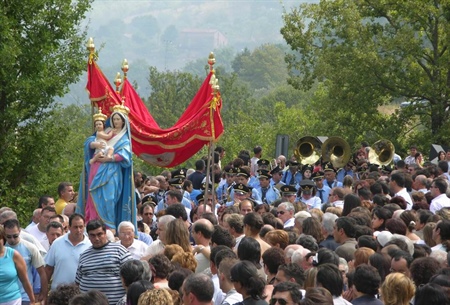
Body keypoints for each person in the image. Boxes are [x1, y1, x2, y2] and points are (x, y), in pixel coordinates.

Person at [77, 104, 136, 231]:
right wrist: (93, 143)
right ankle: (92, 223)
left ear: (123, 121)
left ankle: (109, 227)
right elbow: (91, 140)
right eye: (114, 119)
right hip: (97, 168)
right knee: (94, 194)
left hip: (112, 172)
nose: (115, 122)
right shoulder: (107, 131)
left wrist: (111, 158)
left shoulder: (124, 138)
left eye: (118, 119)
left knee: (109, 199)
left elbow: (126, 155)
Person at [75, 219, 132, 304]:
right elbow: (77, 282)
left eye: (99, 234)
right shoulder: (84, 256)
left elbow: (133, 277)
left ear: (105, 233)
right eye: (93, 235)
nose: (96, 238)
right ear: (88, 236)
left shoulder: (119, 250)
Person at [4, 218, 48, 304]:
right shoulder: (2, 247)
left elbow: (42, 272)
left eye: (15, 236)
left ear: (20, 231)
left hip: (25, 296)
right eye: (8, 236)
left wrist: (44, 293)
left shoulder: (30, 247)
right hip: (6, 297)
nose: (12, 239)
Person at [0, 224, 35, 305]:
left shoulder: (14, 255)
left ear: (3, 238)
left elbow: (25, 280)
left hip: (12, 300)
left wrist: (32, 301)